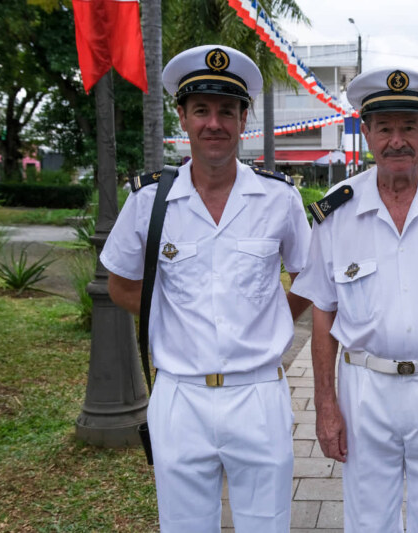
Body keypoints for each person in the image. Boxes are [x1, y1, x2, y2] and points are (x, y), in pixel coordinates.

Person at [100, 45, 312, 532]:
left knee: (267, 523)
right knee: (183, 525)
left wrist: (271, 314)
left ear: (243, 119)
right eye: (201, 111)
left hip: (258, 393)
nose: (213, 124)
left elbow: (309, 276)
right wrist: (173, 318)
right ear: (182, 117)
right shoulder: (150, 200)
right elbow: (118, 283)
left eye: (226, 112)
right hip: (181, 396)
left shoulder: (279, 198)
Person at [290, 67, 418, 532]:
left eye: (407, 127)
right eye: (385, 128)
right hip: (364, 389)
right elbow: (323, 314)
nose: (396, 140)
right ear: (366, 132)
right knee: (367, 519)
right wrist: (325, 403)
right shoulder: (337, 212)